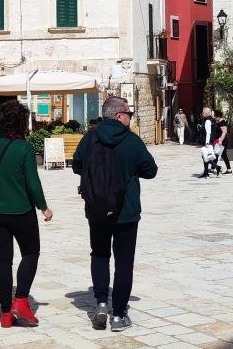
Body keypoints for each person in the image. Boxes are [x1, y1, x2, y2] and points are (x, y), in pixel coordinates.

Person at [73, 96, 158, 332]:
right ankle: (119, 314)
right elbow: (151, 171)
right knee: (124, 263)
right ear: (119, 115)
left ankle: (101, 303)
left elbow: (77, 165)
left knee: (99, 255)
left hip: (96, 208)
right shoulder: (131, 141)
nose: (130, 117)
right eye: (129, 114)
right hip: (126, 210)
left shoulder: (90, 137)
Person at [0, 100, 53, 328]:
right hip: (21, 211)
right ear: (21, 122)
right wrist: (43, 206)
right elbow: (32, 183)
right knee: (31, 253)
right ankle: (22, 300)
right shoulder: (24, 148)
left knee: (3, 261)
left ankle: (5, 313)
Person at [199, 107, 221, 178]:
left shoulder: (207, 121)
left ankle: (214, 168)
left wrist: (207, 142)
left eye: (203, 112)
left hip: (207, 141)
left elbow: (208, 132)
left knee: (205, 156)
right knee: (205, 156)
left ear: (205, 113)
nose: (202, 113)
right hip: (209, 140)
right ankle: (207, 171)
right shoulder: (210, 119)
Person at [214, 110, 232, 175]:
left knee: (218, 154)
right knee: (222, 155)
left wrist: (220, 140)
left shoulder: (222, 122)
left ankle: (213, 168)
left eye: (215, 116)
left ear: (218, 116)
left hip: (222, 141)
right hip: (219, 140)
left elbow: (224, 132)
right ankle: (229, 170)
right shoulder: (218, 121)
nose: (214, 118)